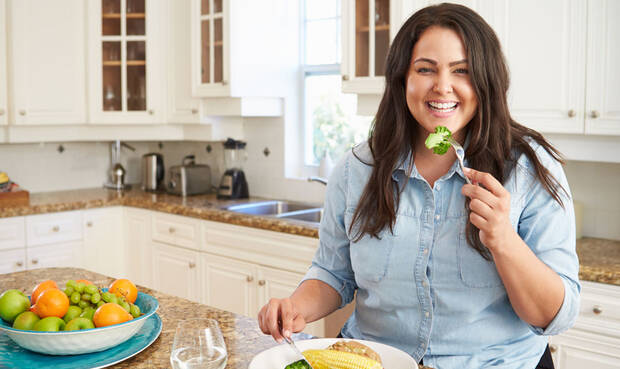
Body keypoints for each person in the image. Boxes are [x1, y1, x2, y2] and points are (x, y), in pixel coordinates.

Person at [258, 3, 580, 368]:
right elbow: (334, 273)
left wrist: (504, 241)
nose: (442, 86)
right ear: (402, 79)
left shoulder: (528, 169)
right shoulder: (357, 169)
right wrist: (296, 306)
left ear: (486, 80)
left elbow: (555, 315)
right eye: (425, 69)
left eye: (462, 71)